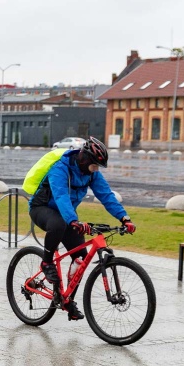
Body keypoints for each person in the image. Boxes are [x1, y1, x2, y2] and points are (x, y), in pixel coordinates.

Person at [29, 136, 135, 321]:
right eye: (94, 165)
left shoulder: (91, 173)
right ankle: (46, 262)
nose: (95, 170)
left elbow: (106, 195)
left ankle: (67, 299)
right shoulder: (60, 169)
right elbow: (61, 196)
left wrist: (124, 218)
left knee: (80, 260)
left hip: (67, 215)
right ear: (84, 159)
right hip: (42, 208)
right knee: (58, 224)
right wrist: (73, 220)